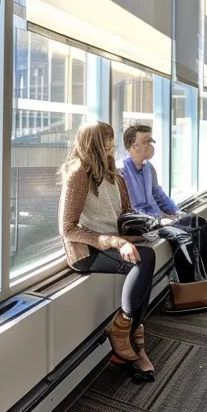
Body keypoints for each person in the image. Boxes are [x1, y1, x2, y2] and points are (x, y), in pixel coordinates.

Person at [59, 122, 156, 383]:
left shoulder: (113, 172)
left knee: (146, 256)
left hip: (114, 242)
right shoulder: (78, 174)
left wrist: (143, 224)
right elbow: (68, 228)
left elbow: (123, 212)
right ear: (93, 144)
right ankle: (123, 329)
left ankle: (131, 339)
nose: (112, 147)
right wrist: (113, 242)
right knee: (144, 258)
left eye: (112, 141)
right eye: (107, 142)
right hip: (87, 252)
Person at [120, 124, 207, 300]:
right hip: (144, 226)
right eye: (146, 141)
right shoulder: (122, 173)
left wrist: (177, 212)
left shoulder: (148, 168)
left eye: (151, 141)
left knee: (196, 221)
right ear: (133, 146)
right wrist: (159, 220)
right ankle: (190, 292)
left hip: (158, 220)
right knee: (184, 236)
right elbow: (130, 210)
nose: (151, 145)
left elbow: (159, 194)